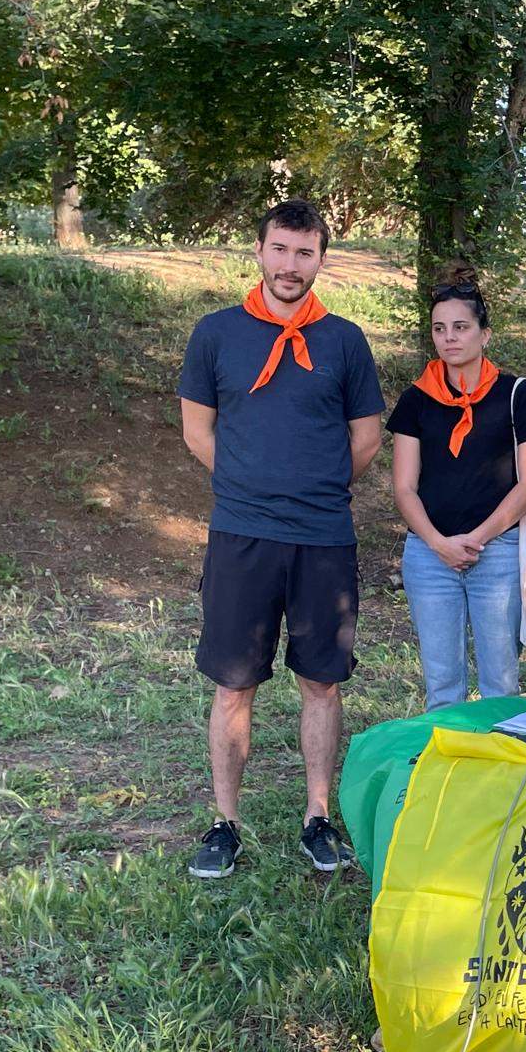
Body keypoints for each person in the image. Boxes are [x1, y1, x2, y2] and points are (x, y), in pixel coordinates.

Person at [178, 198, 384, 879]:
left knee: (321, 682)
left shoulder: (346, 341)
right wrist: (251, 484)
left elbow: (365, 438)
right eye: (280, 250)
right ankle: (224, 822)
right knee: (235, 684)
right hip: (242, 533)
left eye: (305, 253)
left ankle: (317, 818)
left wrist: (313, 487)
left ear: (321, 259)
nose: (291, 265)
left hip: (324, 536)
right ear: (259, 251)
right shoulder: (216, 333)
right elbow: (197, 430)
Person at [388, 262, 526, 710]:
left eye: (461, 326)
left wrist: (476, 539)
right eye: (440, 328)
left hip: (496, 551)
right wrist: (438, 543)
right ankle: (449, 772)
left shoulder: (517, 394)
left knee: (500, 679)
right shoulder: (416, 399)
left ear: (485, 334)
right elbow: (403, 487)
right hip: (429, 553)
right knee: (442, 684)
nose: (450, 337)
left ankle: (500, 771)